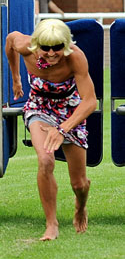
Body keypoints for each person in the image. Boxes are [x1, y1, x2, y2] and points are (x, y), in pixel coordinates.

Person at [6, 19, 95, 241]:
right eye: (46, 48)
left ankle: (80, 206)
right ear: (37, 44)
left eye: (57, 47)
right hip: (39, 107)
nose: (52, 53)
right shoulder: (25, 46)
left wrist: (63, 128)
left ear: (66, 44)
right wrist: (16, 78)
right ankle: (51, 224)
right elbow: (10, 41)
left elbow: (90, 101)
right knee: (45, 161)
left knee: (79, 183)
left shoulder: (75, 57)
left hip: (70, 109)